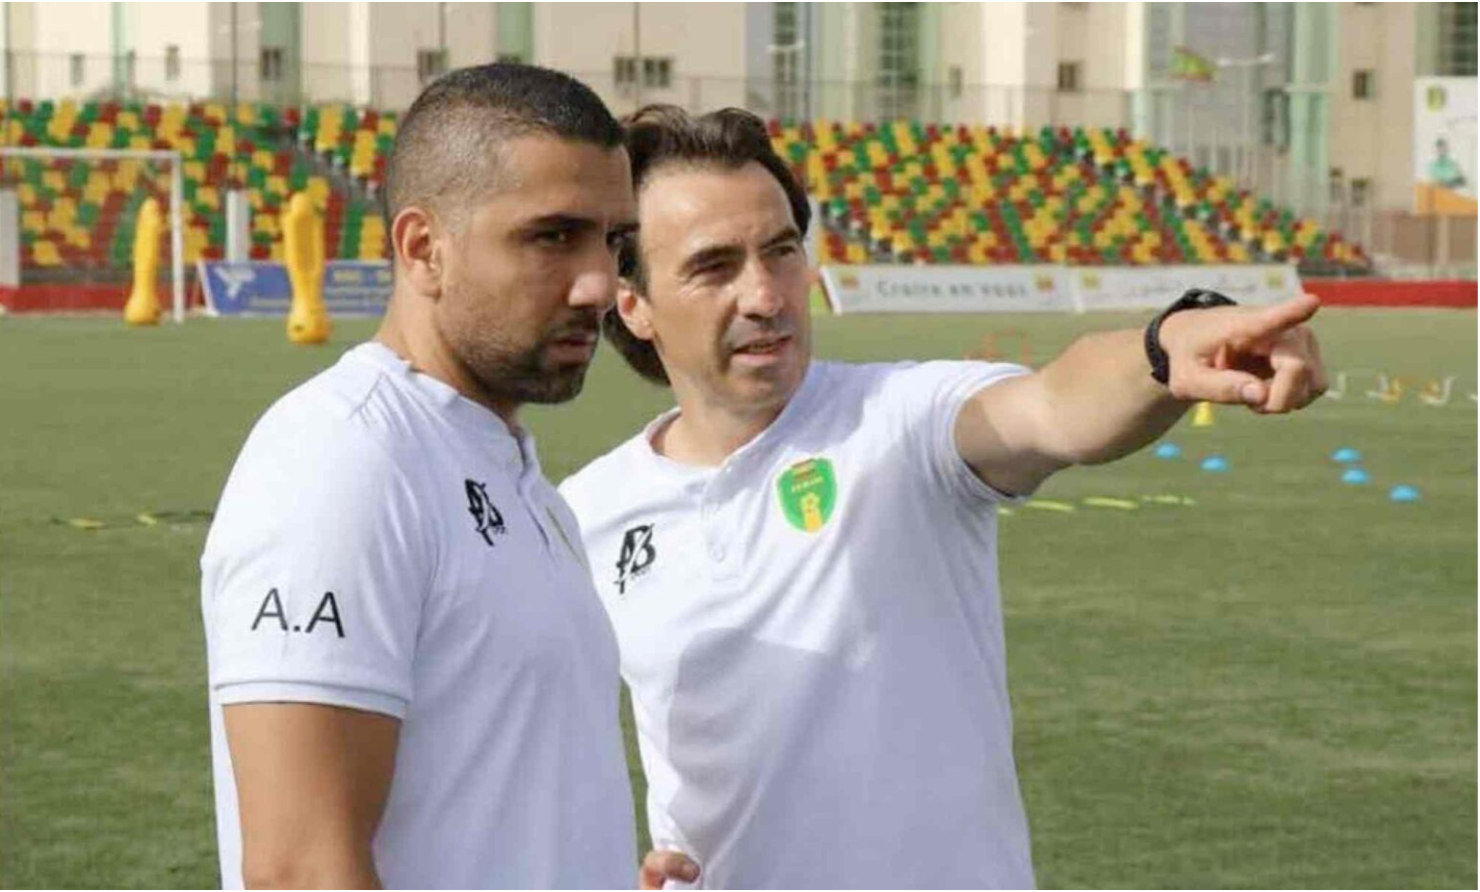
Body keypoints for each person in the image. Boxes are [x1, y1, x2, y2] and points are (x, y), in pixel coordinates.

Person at [559, 105, 1328, 889]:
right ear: (635, 306)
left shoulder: (901, 420)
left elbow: (1056, 406)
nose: (765, 294)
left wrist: (1165, 346)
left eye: (781, 251)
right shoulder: (583, 513)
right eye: (714, 266)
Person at [200, 63, 648, 889]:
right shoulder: (341, 460)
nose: (599, 286)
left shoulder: (518, 477)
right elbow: (301, 871)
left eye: (614, 243)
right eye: (553, 236)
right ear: (422, 248)